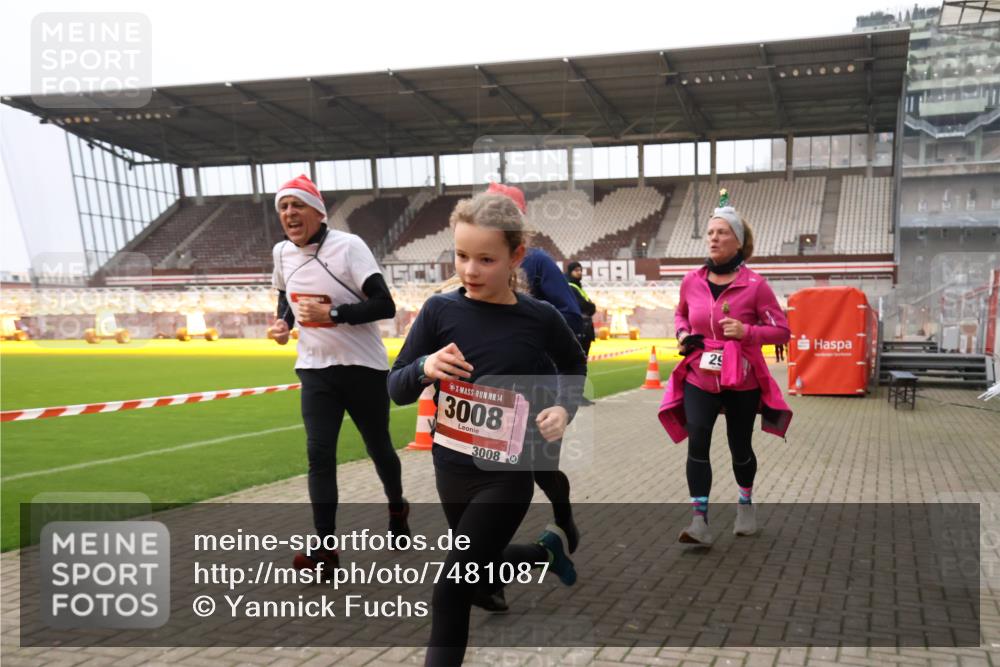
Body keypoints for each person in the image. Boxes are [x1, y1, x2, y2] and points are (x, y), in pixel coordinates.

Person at [388, 191, 585, 666]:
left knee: (450, 591)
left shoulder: (539, 317)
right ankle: (546, 552)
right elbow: (395, 387)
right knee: (477, 570)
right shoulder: (439, 311)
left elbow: (573, 366)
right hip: (451, 468)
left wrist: (563, 409)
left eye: (485, 259)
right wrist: (425, 367)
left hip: (508, 474)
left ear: (517, 256)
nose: (470, 270)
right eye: (461, 256)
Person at [268, 174, 409, 571]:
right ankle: (325, 548)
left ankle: (397, 508)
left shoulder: (349, 247)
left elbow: (385, 305)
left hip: (363, 368)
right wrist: (284, 324)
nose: (290, 213)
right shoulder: (281, 253)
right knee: (319, 455)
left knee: (379, 448)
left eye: (297, 205)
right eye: (283, 206)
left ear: (318, 211)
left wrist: (333, 314)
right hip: (315, 369)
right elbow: (286, 295)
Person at [657, 189, 792, 546]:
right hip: (700, 374)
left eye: (722, 233)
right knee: (697, 441)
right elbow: (681, 313)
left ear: (738, 242)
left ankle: (745, 502)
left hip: (741, 378)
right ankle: (699, 520)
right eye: (711, 233)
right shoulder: (692, 280)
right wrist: (684, 333)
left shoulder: (756, 285)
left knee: (740, 447)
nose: (714, 238)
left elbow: (783, 331)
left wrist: (748, 332)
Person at [484, 182, 584, 553]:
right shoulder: (475, 259)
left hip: (535, 387)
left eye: (502, 212)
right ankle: (490, 582)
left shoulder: (537, 262)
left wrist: (526, 325)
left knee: (540, 470)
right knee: (495, 479)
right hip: (489, 390)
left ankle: (563, 517)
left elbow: (571, 316)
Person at [565, 261, 597, 359]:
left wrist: (590, 307)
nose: (579, 272)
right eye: (576, 270)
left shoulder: (578, 287)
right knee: (578, 361)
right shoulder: (571, 287)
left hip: (584, 329)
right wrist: (591, 306)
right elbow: (584, 305)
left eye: (580, 270)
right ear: (570, 272)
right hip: (580, 329)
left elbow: (588, 306)